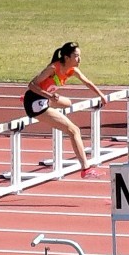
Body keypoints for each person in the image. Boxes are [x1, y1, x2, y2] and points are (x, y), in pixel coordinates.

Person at [23, 41, 107, 179]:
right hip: (35, 102)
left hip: (45, 98)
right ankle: (85, 169)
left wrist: (101, 95)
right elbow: (31, 85)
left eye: (80, 56)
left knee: (68, 103)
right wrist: (49, 95)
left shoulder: (72, 70)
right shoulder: (53, 68)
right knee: (74, 130)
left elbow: (87, 82)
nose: (79, 59)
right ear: (67, 58)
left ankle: (47, 100)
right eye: (76, 56)